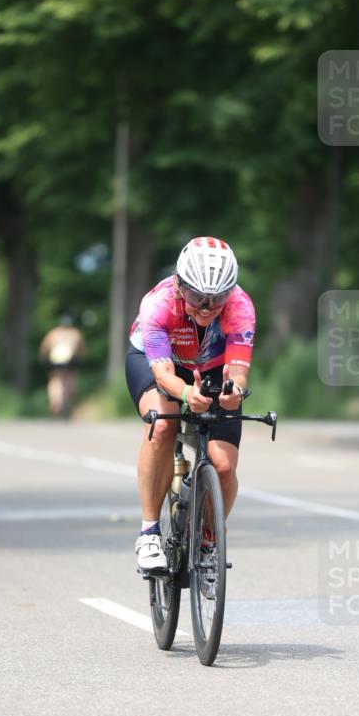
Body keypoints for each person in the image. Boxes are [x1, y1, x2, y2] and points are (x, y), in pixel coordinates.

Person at [126, 237, 256, 572]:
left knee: (225, 466)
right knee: (163, 423)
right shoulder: (158, 305)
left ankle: (210, 540)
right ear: (180, 286)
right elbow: (165, 374)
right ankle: (150, 532)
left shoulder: (241, 306)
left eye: (218, 298)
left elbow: (238, 371)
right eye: (198, 296)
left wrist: (233, 392)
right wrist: (186, 395)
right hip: (160, 363)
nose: (207, 306)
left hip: (213, 368)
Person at [39, 315, 85, 417]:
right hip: (70, 360)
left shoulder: (53, 333)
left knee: (55, 380)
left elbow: (44, 347)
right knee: (70, 378)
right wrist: (80, 359)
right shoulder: (75, 333)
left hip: (55, 360)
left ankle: (56, 400)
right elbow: (81, 348)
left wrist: (43, 358)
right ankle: (68, 396)